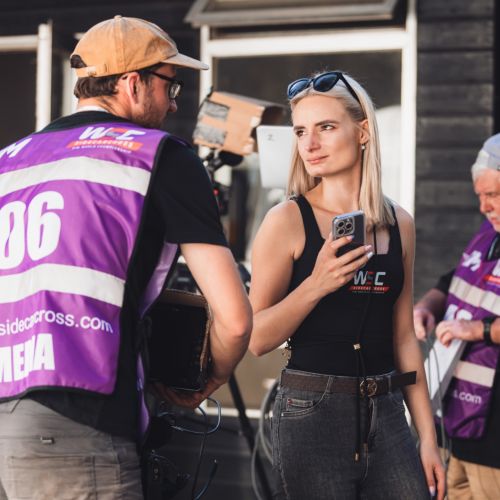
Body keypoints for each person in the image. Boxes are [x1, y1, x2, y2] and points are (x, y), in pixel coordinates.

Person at [0, 15, 252, 499]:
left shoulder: (12, 159)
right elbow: (236, 320)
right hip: (84, 421)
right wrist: (206, 378)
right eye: (170, 86)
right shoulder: (157, 155)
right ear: (132, 84)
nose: (173, 103)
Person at [249, 70, 445, 499]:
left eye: (325, 127)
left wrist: (428, 437)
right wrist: (317, 284)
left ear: (363, 132)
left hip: (388, 410)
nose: (310, 144)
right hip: (312, 410)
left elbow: (403, 337)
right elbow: (257, 338)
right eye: (301, 131)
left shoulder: (400, 223)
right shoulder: (286, 221)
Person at [414, 133, 500, 499]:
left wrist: (476, 329)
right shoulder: (489, 231)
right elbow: (454, 280)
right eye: (480, 195)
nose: (484, 206)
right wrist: (426, 307)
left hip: (494, 443)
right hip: (455, 426)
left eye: (493, 195)